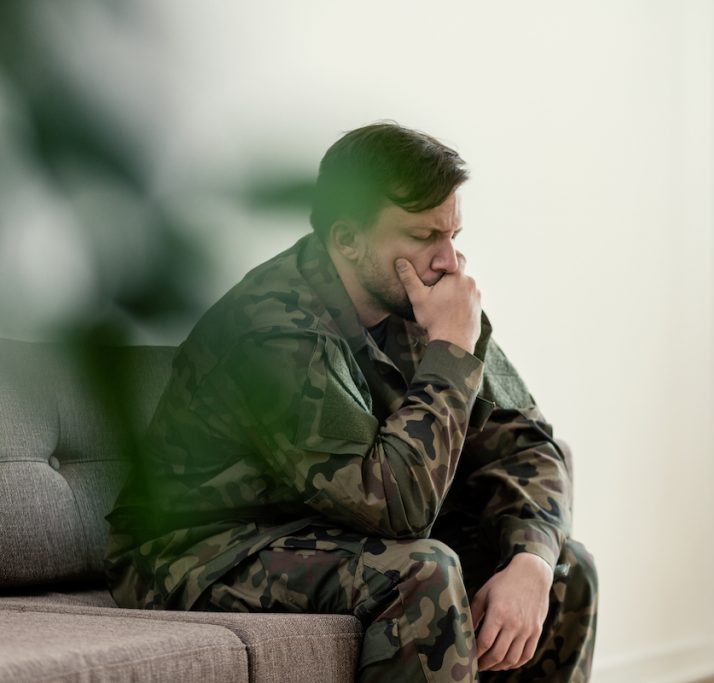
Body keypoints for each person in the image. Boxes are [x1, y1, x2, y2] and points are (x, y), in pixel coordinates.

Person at [104, 122, 598, 682]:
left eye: (452, 235)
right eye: (422, 236)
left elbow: (530, 444)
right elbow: (395, 511)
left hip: (329, 531)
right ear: (347, 239)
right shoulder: (273, 328)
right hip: (200, 548)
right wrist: (451, 354)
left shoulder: (427, 307)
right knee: (422, 571)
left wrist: (531, 559)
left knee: (565, 572)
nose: (449, 262)